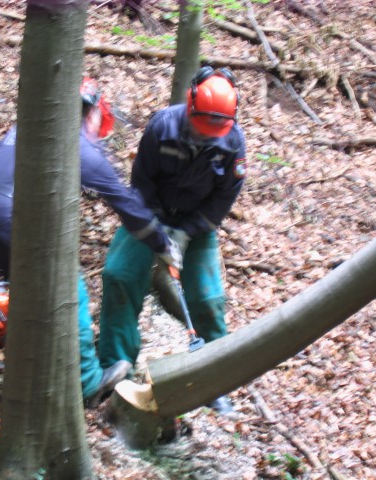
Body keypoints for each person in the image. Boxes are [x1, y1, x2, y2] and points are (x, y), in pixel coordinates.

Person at [0, 78, 182, 407]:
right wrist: (162, 244)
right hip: (6, 212)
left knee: (31, 286)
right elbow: (125, 204)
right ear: (91, 114)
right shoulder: (74, 144)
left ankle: (42, 365)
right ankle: (87, 380)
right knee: (66, 285)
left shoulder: (30, 128)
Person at [98, 67, 247, 417]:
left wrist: (186, 233)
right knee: (119, 275)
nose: (207, 135)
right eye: (202, 127)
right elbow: (142, 184)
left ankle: (214, 384)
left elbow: (222, 200)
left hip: (196, 224)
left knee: (208, 298)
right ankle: (116, 365)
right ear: (190, 106)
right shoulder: (162, 126)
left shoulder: (232, 143)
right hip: (151, 215)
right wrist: (156, 232)